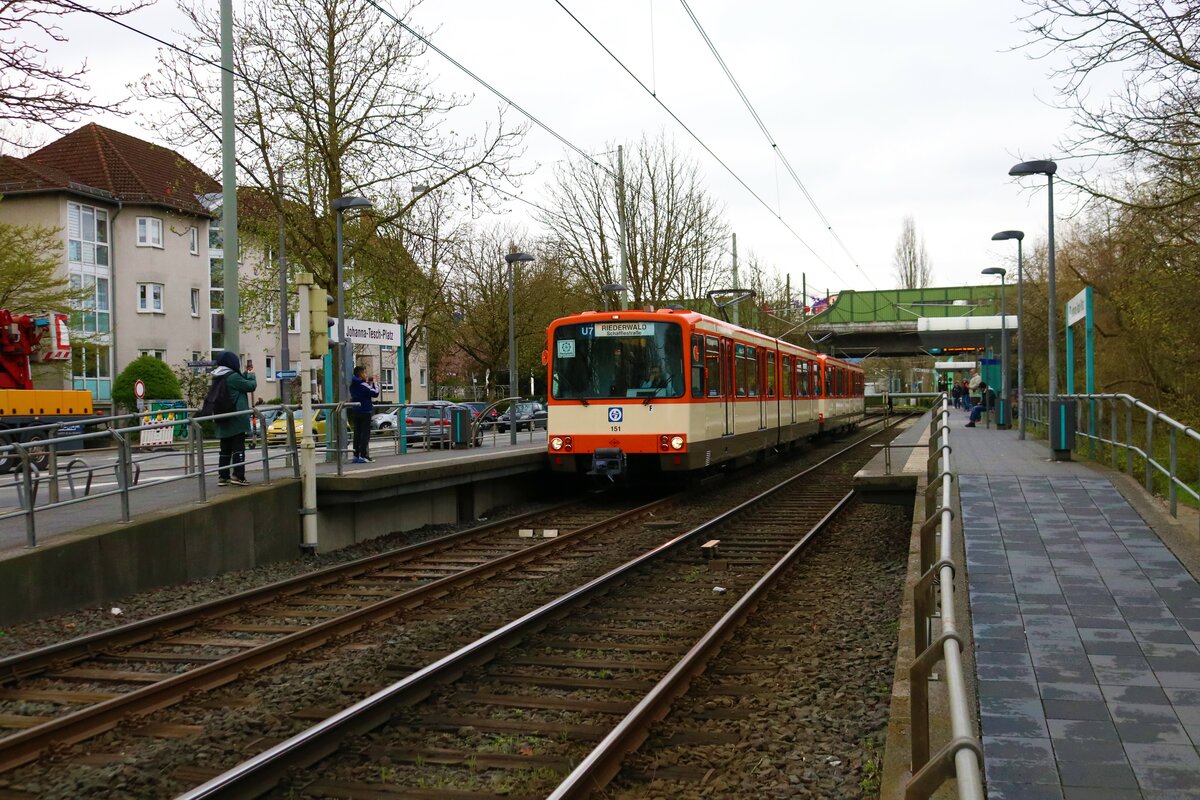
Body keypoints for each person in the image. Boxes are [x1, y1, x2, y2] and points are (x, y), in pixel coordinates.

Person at [211, 351, 256, 486]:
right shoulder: (233, 377)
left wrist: (245, 374)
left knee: (225, 449)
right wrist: (251, 374)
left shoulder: (217, 376)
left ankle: (223, 476)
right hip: (236, 418)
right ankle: (238, 475)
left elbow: (239, 383)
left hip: (223, 417)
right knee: (238, 448)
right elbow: (250, 386)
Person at [349, 365, 379, 463]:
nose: (366, 375)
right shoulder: (363, 384)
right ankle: (363, 456)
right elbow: (375, 393)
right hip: (365, 411)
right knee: (365, 434)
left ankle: (356, 455)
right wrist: (375, 383)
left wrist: (368, 383)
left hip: (356, 411)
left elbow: (364, 392)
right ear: (361, 374)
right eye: (365, 373)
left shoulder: (352, 385)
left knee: (357, 434)